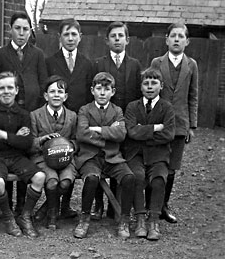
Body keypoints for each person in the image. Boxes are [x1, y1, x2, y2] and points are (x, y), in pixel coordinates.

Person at [0, 11, 48, 215]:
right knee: (6, 153)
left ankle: (22, 204)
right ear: (10, 29)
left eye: (25, 29)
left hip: (29, 112)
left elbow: (43, 83)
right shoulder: (0, 54)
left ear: (30, 31)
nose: (21, 33)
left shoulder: (37, 54)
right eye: (17, 28)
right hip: (7, 113)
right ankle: (5, 204)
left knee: (25, 155)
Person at [0, 72, 46, 238]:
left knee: (39, 177)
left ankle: (25, 216)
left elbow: (27, 143)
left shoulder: (24, 114)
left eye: (10, 87)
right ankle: (8, 217)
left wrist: (3, 135)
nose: (6, 91)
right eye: (2, 88)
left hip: (17, 157)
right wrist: (16, 137)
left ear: (16, 90)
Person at [90, 21, 142, 220]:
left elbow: (137, 95)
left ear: (127, 40)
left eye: (121, 36)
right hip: (103, 120)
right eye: (113, 36)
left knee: (119, 160)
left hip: (123, 123)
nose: (117, 39)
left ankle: (116, 205)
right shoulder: (98, 64)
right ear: (107, 40)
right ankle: (98, 204)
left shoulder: (135, 64)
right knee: (100, 159)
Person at [74, 72, 135, 239]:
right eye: (99, 89)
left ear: (113, 92)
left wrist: (97, 129)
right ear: (92, 90)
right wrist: (109, 133)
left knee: (129, 178)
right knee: (92, 178)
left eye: (106, 89)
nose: (102, 93)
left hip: (113, 157)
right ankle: (85, 218)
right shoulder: (85, 110)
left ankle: (124, 219)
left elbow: (121, 133)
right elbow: (82, 134)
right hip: (90, 157)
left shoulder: (117, 111)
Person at [43, 18, 93, 220]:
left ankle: (65, 207)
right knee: (54, 155)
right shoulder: (50, 62)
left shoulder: (87, 63)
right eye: (66, 34)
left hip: (76, 119)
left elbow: (90, 95)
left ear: (80, 37)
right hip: (55, 116)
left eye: (74, 34)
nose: (70, 38)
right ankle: (51, 206)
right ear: (59, 37)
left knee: (69, 157)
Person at [150, 22, 198, 223]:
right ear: (167, 39)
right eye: (173, 36)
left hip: (179, 123)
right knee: (155, 162)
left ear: (187, 41)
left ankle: (163, 206)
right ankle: (149, 204)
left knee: (171, 166)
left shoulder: (191, 65)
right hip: (159, 122)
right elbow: (150, 90)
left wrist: (191, 125)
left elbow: (193, 96)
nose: (177, 39)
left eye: (181, 36)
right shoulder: (157, 63)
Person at [124, 68, 175, 240]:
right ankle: (139, 219)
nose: (150, 87)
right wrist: (155, 128)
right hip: (136, 154)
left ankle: (153, 220)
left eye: (154, 83)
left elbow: (168, 134)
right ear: (141, 87)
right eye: (146, 83)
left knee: (159, 178)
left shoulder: (167, 107)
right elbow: (131, 132)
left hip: (158, 155)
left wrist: (142, 132)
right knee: (137, 177)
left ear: (161, 86)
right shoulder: (132, 106)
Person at [29, 75, 78, 229]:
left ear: (66, 96)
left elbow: (77, 140)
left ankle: (45, 208)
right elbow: (30, 142)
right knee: (51, 182)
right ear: (45, 95)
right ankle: (52, 215)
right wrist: (42, 141)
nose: (56, 95)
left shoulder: (72, 116)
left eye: (60, 91)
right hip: (43, 158)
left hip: (65, 158)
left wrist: (68, 146)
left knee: (65, 182)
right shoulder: (35, 115)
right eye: (52, 91)